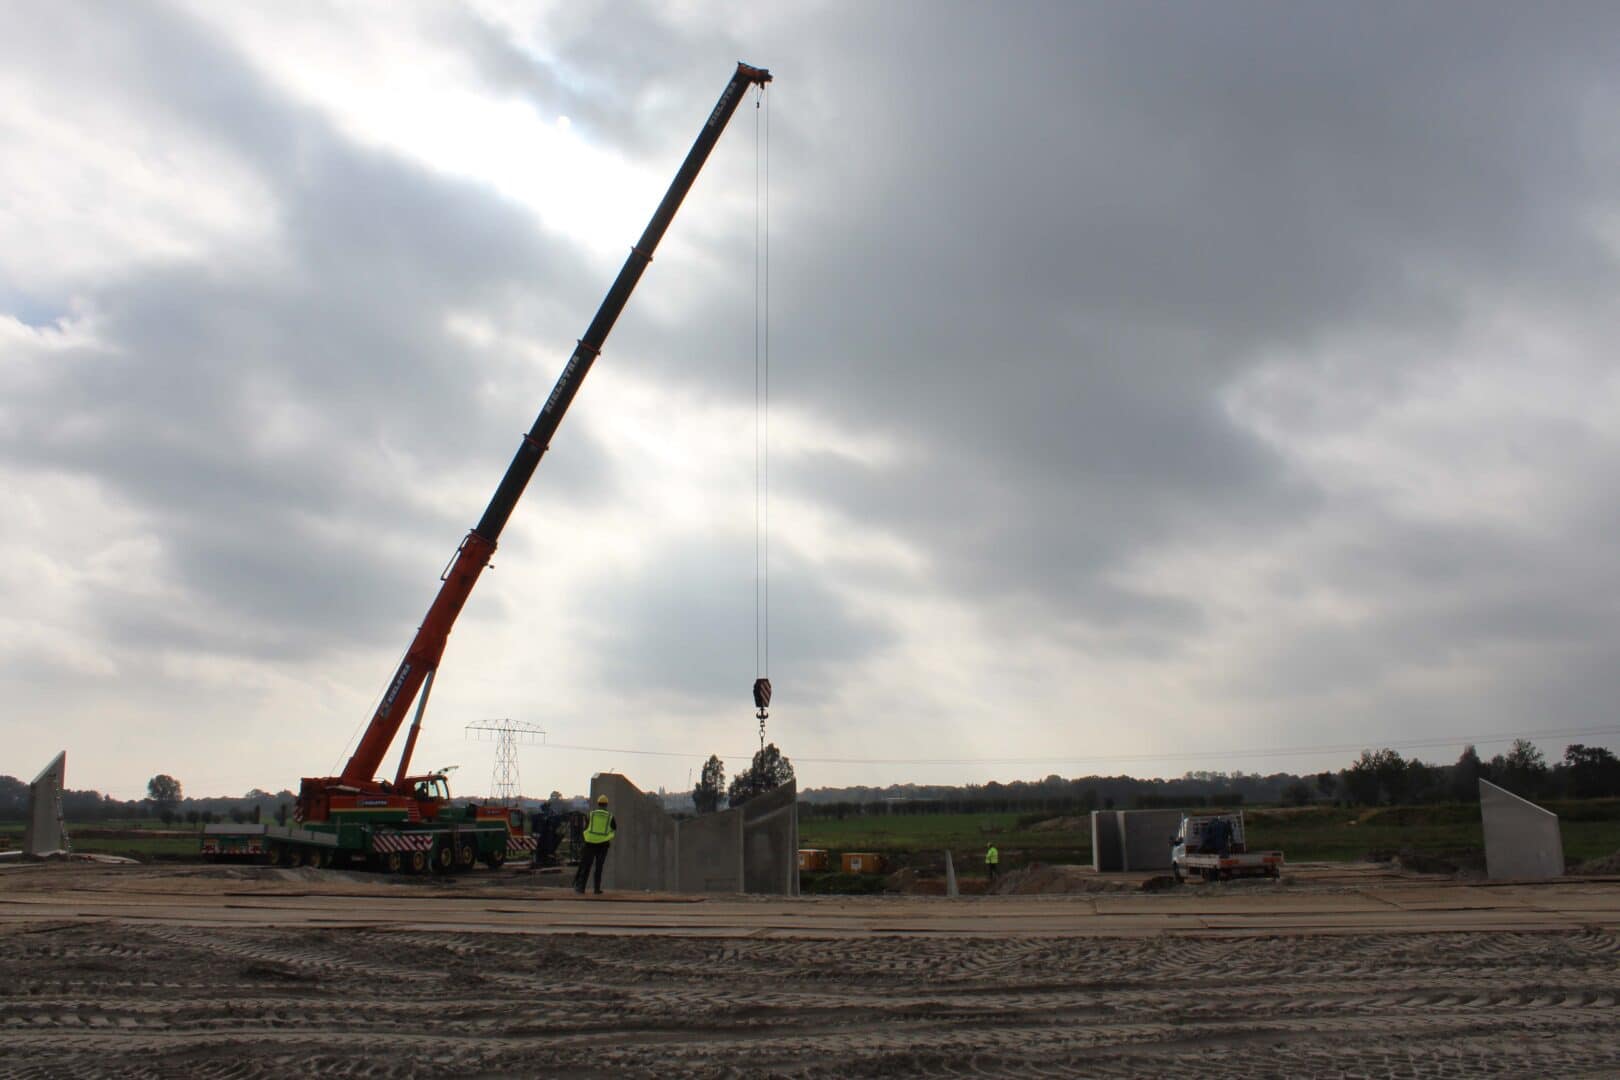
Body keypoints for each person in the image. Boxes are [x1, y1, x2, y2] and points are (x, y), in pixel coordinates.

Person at [574, 794, 616, 894]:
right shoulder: (610, 816)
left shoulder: (591, 814)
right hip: (603, 844)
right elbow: (614, 829)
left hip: (590, 843)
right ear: (606, 805)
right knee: (599, 867)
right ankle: (596, 889)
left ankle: (581, 888)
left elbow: (586, 827)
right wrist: (607, 835)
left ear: (598, 804)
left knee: (586, 866)